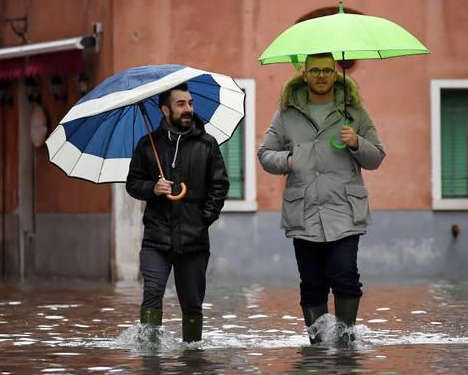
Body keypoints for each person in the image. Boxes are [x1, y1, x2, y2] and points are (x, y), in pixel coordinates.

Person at [257, 52, 386, 344]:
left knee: (344, 274)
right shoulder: (287, 113)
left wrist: (357, 143)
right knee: (312, 283)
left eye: (327, 70)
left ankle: (345, 338)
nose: (321, 76)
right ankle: (317, 344)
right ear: (305, 73)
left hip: (344, 209)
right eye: (315, 70)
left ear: (334, 71)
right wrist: (288, 159)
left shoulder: (354, 112)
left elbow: (376, 156)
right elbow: (265, 154)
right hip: (303, 210)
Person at [126, 82, 229, 343]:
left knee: (192, 304)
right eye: (181, 104)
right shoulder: (147, 145)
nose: (188, 110)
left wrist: (204, 218)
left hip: (194, 239)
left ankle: (192, 359)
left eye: (190, 104)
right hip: (156, 238)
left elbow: (220, 185)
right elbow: (133, 184)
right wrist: (153, 187)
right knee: (152, 293)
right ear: (165, 110)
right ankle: (150, 359)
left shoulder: (207, 144)